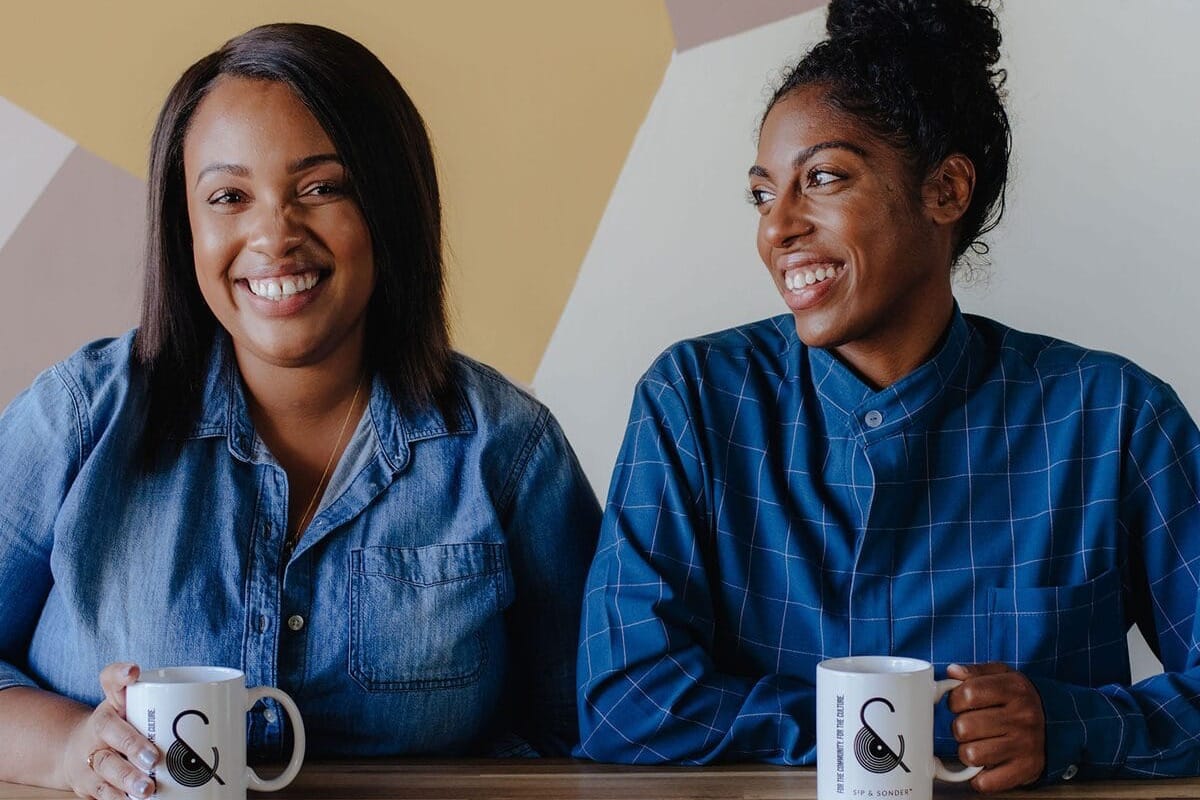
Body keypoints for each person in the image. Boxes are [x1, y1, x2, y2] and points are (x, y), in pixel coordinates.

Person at [575, 0, 1200, 791]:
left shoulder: (1115, 420)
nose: (779, 228)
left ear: (945, 189)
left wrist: (1075, 724)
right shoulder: (696, 402)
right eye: (764, 195)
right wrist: (902, 727)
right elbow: (624, 702)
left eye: (824, 178)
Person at [0, 22, 600, 799]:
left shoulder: (509, 451)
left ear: (391, 205)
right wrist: (63, 746)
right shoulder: (83, 416)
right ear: (185, 225)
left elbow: (584, 731)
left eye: (321, 187)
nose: (274, 236)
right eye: (229, 197)